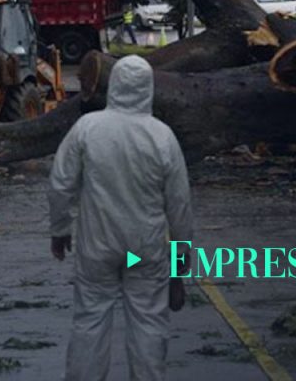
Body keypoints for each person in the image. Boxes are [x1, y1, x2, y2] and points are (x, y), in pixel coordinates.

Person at [49, 55, 193, 380]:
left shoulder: (87, 128)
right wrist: (181, 256)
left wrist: (60, 230)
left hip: (98, 247)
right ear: (149, 88)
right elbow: (179, 204)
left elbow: (60, 184)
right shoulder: (162, 136)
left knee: (90, 320)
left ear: (113, 85)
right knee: (148, 323)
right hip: (143, 251)